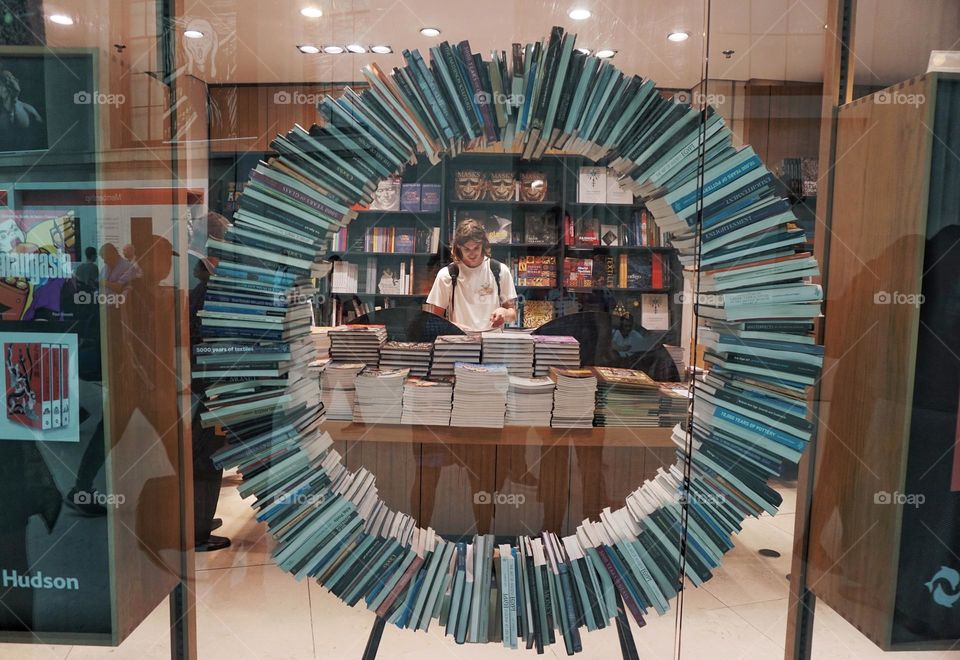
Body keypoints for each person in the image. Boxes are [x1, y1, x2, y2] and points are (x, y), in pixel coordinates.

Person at [425, 218, 518, 332]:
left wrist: (504, 313)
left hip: (492, 343)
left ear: (483, 245)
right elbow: (435, 320)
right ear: (458, 247)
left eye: (476, 248)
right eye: (467, 249)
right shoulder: (447, 275)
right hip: (461, 343)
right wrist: (455, 327)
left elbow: (512, 313)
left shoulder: (500, 271)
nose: (472, 254)